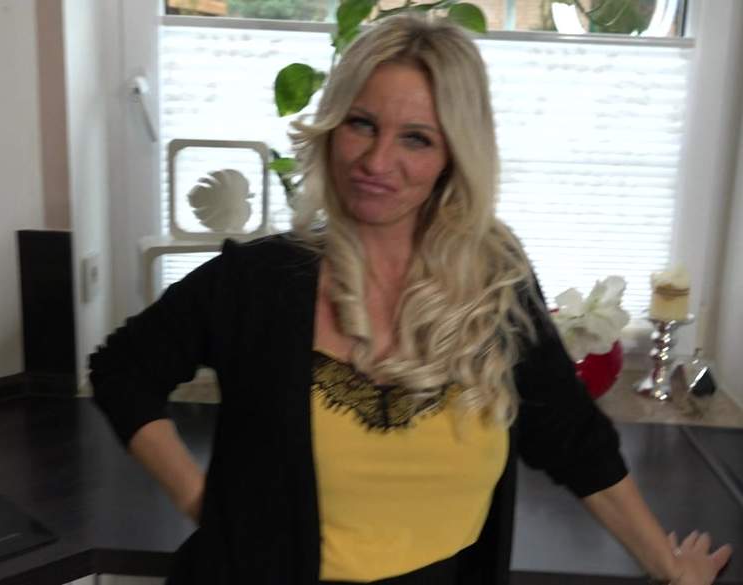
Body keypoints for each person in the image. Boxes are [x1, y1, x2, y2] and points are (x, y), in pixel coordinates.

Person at [88, 13, 732, 585]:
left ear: (454, 155)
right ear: (333, 127)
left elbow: (571, 439)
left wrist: (670, 567)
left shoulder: (495, 284)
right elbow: (121, 369)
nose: (376, 161)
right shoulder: (256, 282)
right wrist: (203, 501)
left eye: (416, 138)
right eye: (361, 124)